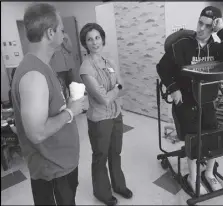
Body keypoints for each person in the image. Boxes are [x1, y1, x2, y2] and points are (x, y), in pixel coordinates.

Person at [157, 6, 223, 195]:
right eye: (200, 23)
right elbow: (162, 67)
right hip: (186, 100)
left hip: (207, 101)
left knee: (214, 136)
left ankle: (209, 174)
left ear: (214, 28)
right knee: (193, 139)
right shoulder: (182, 45)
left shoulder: (218, 48)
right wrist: (173, 89)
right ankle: (193, 176)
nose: (201, 28)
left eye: (207, 26)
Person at [11, 3, 87, 205]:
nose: (64, 34)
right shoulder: (34, 75)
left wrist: (69, 104)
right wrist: (70, 112)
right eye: (62, 30)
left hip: (61, 167)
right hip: (52, 172)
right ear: (50, 33)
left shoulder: (43, 66)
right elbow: (36, 133)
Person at [79, 23, 132, 206]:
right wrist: (116, 88)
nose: (94, 42)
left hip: (116, 114)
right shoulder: (86, 68)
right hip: (99, 119)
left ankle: (119, 185)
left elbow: (122, 87)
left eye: (97, 38)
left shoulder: (109, 61)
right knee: (100, 156)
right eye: (89, 39)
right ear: (85, 43)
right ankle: (102, 192)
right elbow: (103, 99)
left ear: (102, 39)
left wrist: (115, 89)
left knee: (115, 152)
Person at [50, 32, 76, 98]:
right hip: (59, 69)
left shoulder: (65, 35)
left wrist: (64, 41)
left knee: (72, 87)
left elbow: (70, 49)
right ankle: (64, 105)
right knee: (62, 89)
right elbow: (49, 53)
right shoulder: (50, 37)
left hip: (69, 67)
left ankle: (73, 103)